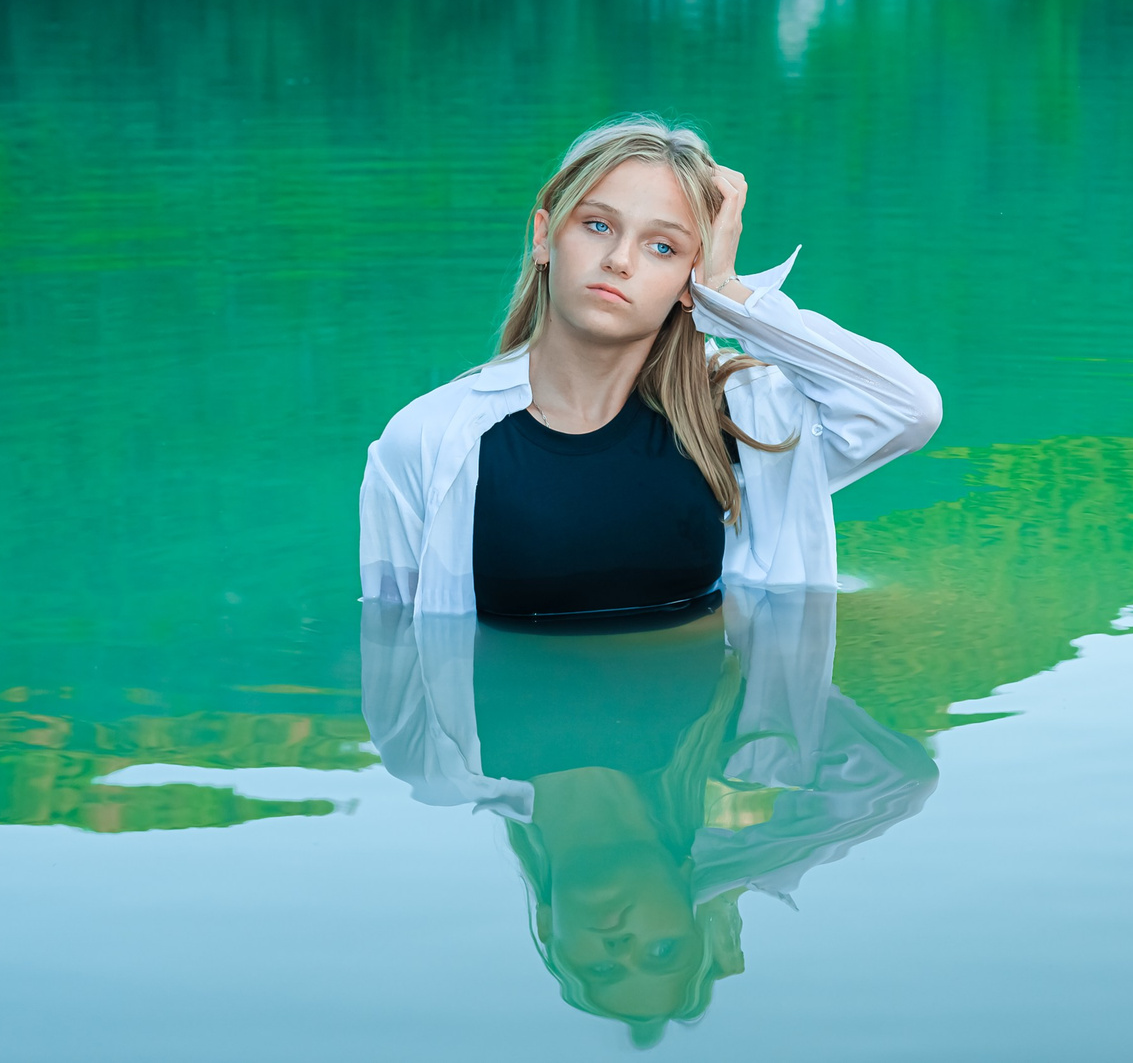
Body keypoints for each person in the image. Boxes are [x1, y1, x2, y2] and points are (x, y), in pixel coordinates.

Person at [358, 115, 941, 617]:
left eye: (662, 246)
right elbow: (392, 647)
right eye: (597, 225)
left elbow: (908, 409)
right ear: (543, 236)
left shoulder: (738, 422)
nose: (618, 260)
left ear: (689, 280)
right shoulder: (428, 441)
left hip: (705, 746)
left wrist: (729, 294)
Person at [361, 587, 936, 1043]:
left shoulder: (437, 763)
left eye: (602, 971)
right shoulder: (718, 719)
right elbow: (901, 781)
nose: (624, 947)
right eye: (664, 951)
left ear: (547, 930)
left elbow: (393, 613)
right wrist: (700, 872)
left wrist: (692, 877)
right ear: (692, 914)